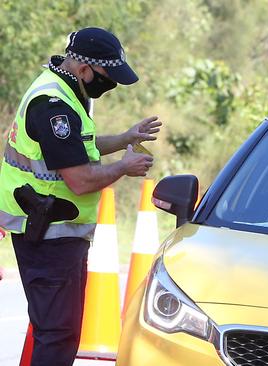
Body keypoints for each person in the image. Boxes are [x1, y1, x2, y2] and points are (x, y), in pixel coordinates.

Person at [0, 27, 160, 366]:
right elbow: (80, 179)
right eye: (108, 76)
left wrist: (124, 138)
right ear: (86, 69)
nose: (112, 84)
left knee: (58, 333)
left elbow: (77, 147)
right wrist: (123, 167)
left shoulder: (66, 91)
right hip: (47, 235)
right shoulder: (52, 105)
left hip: (55, 234)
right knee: (57, 336)